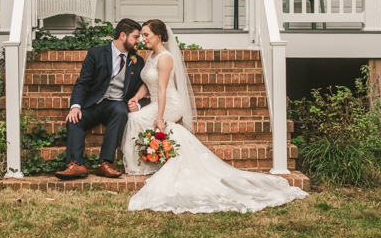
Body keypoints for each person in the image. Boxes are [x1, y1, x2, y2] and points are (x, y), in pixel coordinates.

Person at [123, 19, 309, 214]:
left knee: (136, 119)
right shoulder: (151, 56)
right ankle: (149, 159)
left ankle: (143, 165)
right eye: (142, 35)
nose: (143, 39)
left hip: (169, 103)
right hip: (157, 102)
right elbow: (148, 83)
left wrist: (160, 118)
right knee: (135, 115)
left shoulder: (165, 58)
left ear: (158, 35)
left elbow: (161, 89)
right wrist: (136, 98)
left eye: (146, 35)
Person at [55, 18, 146, 180]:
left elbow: (141, 88)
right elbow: (82, 83)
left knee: (121, 112)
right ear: (123, 36)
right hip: (94, 104)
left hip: (116, 105)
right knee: (73, 119)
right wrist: (75, 106)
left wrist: (137, 103)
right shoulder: (96, 53)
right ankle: (76, 164)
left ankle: (104, 163)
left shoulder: (137, 61)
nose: (139, 41)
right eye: (136, 37)